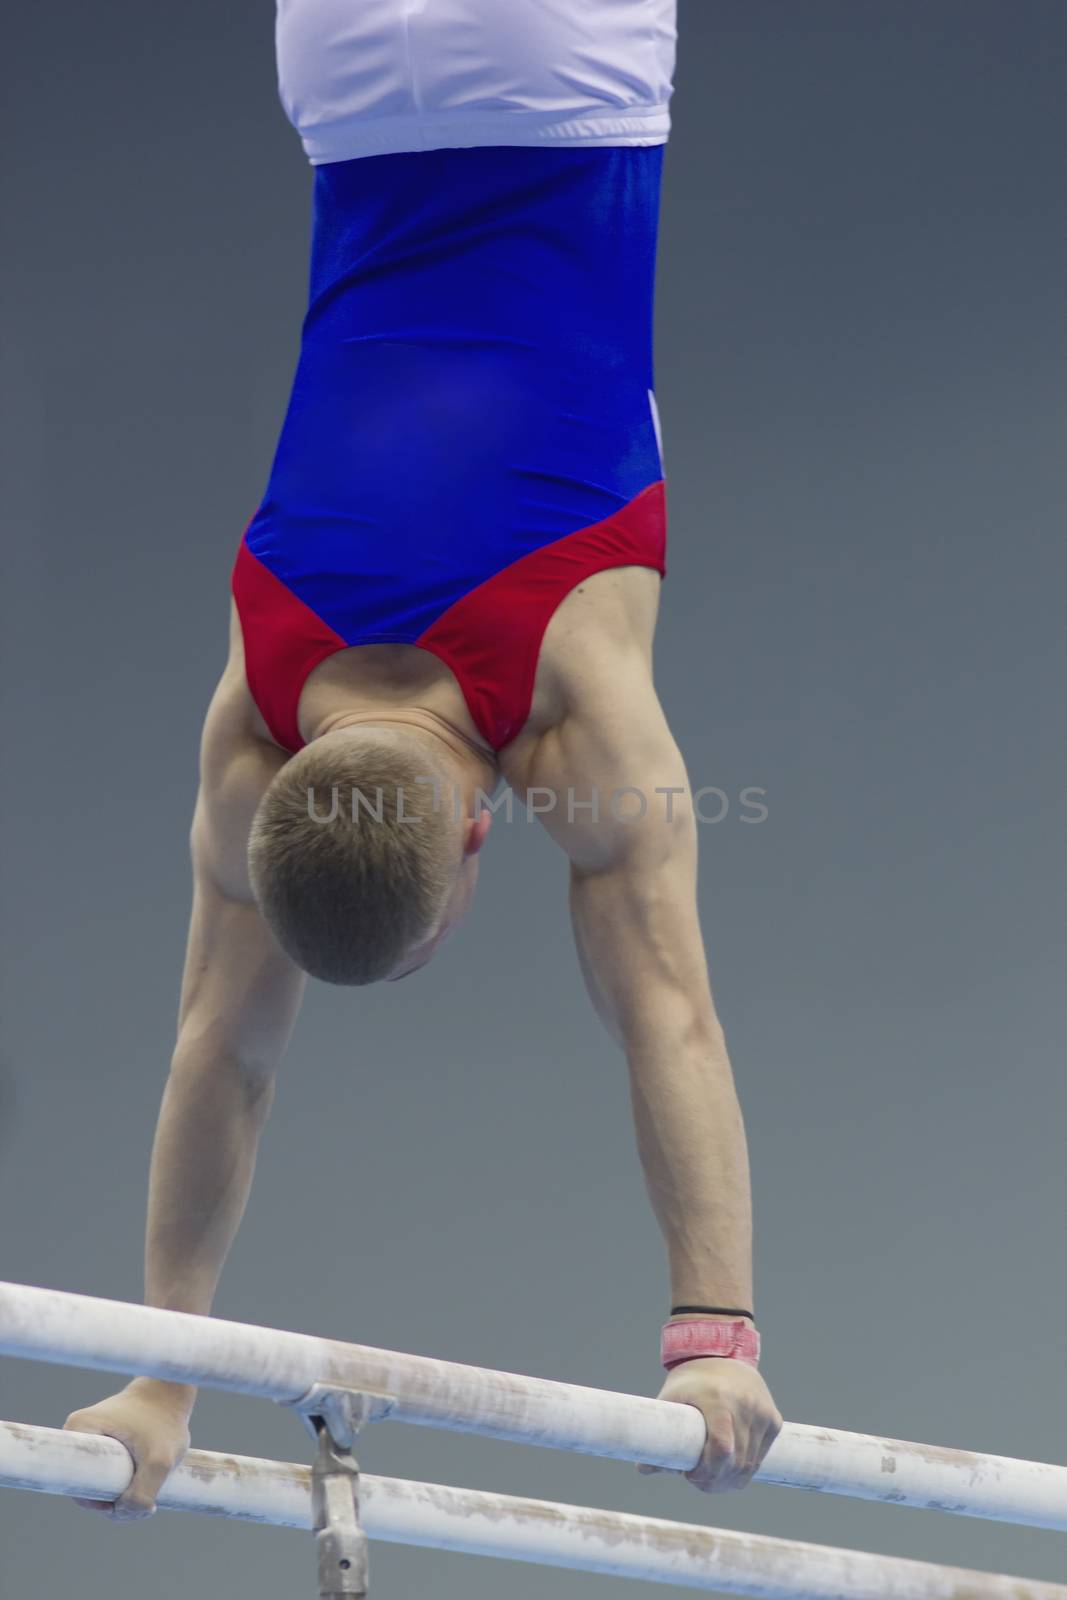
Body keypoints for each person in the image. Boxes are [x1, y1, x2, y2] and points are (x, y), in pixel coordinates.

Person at [63, 0, 783, 1521]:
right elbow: (219, 1047)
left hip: (562, 83)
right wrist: (155, 1369)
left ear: (475, 842)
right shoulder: (255, 723)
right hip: (344, 80)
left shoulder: (582, 717)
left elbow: (673, 1014)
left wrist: (712, 1344)